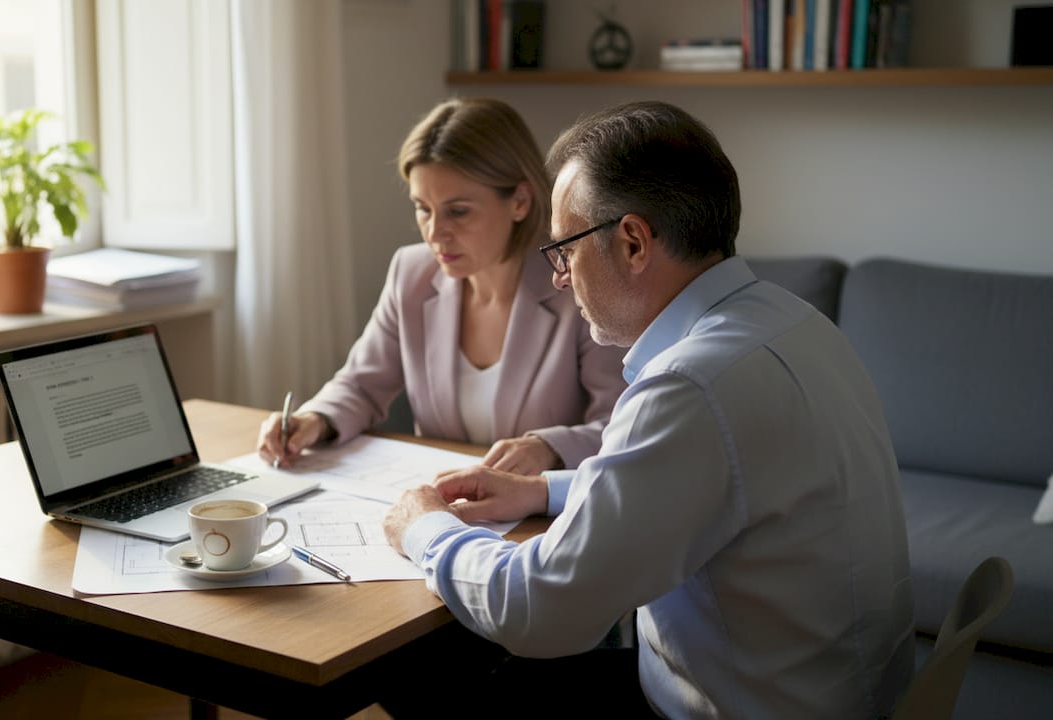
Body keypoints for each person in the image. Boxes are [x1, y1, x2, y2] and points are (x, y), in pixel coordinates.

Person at [383, 100, 914, 719]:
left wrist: (423, 528)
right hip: (835, 692)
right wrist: (541, 491)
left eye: (565, 249)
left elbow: (540, 611)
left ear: (633, 241)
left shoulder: (688, 386)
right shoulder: (792, 321)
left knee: (421, 675)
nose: (559, 277)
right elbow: (703, 482)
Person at [257, 97, 625, 475]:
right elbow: (361, 385)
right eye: (423, 208)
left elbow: (623, 427)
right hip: (445, 506)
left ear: (519, 200)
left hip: (545, 514)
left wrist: (549, 448)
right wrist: (314, 419)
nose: (435, 234)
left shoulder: (579, 286)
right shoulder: (411, 273)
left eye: (458, 211)